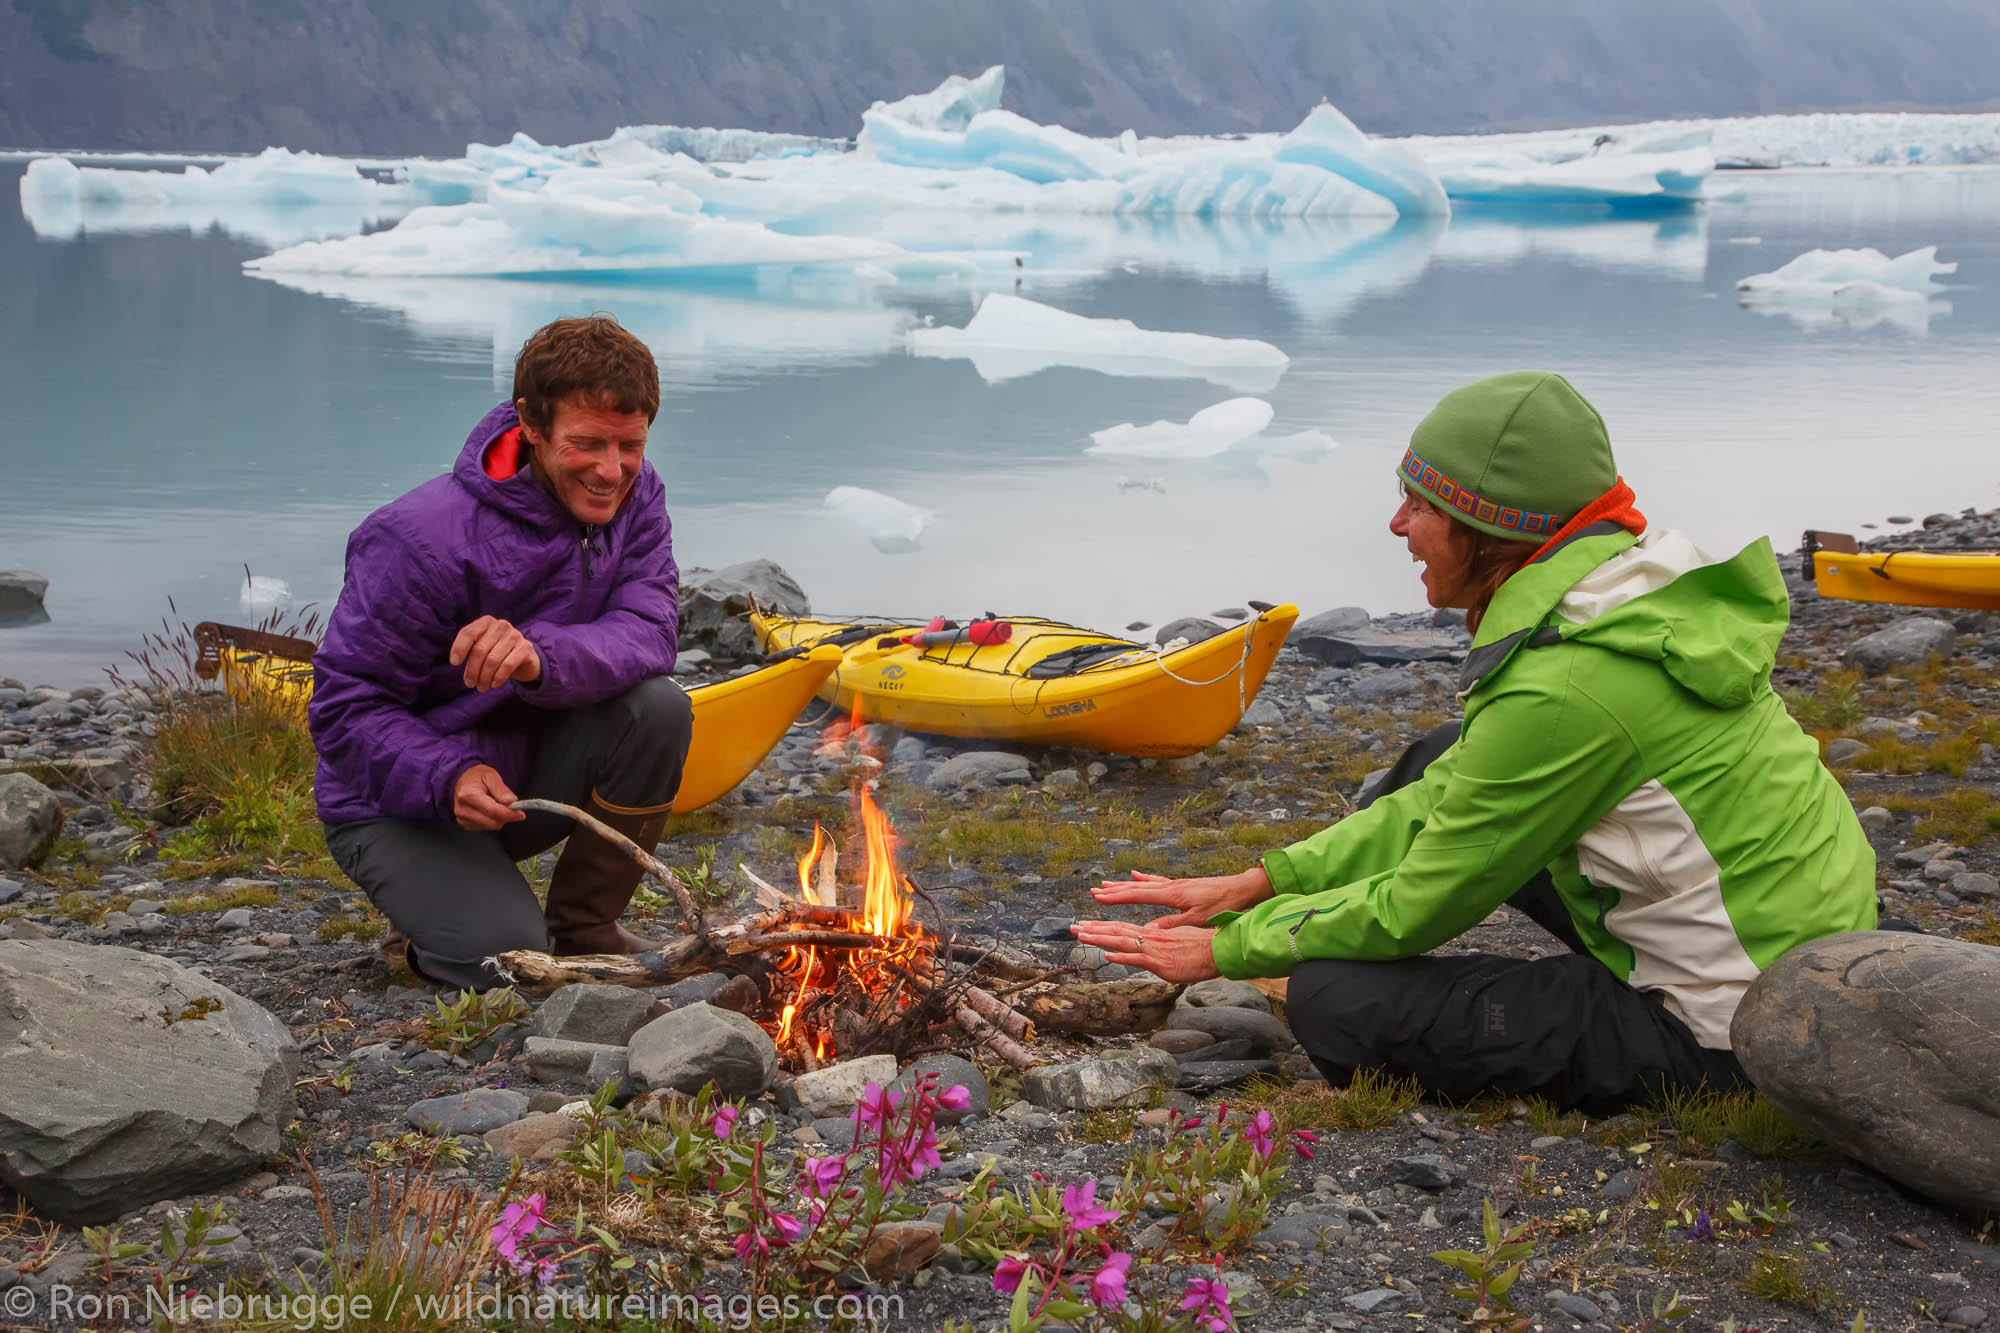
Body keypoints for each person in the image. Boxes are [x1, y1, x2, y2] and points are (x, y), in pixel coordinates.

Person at [1073, 371, 1876, 1113]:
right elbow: (1447, 789)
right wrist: (1262, 880)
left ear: (1493, 531)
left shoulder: (1566, 687)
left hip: (1741, 1029)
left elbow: (1416, 908)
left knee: (1335, 1004)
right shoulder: (1619, 601)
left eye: (1419, 504)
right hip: (1801, 940)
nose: (1397, 524)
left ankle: (1631, 1023)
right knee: (1438, 755)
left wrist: (1226, 951)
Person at [309, 315, 692, 990]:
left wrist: (539, 655)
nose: (612, 470)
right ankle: (425, 936)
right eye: (588, 443)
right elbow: (343, 708)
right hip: (395, 801)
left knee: (658, 707)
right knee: (509, 958)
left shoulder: (639, 497)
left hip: (519, 779)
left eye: (629, 444)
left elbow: (652, 627)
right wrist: (446, 775)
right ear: (531, 426)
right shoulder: (417, 539)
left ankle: (585, 926)